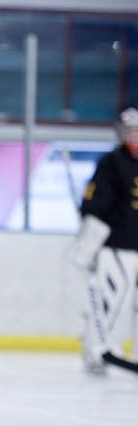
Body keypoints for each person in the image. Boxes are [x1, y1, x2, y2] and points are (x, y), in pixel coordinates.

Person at [66, 107, 138, 375]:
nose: (134, 137)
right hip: (115, 247)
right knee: (114, 300)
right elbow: (94, 204)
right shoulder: (112, 162)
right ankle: (98, 352)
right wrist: (89, 236)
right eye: (130, 132)